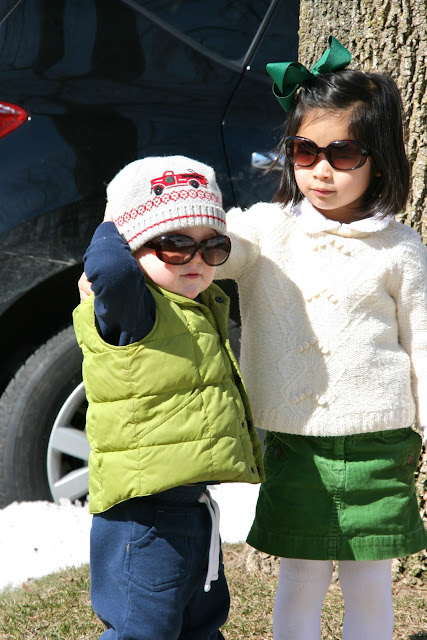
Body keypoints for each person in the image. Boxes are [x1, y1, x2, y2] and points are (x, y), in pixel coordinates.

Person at [214, 36, 427, 640]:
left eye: (343, 152)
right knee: (301, 576)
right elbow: (208, 245)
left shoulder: (400, 248)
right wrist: (122, 255)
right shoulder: (266, 232)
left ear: (378, 159)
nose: (321, 170)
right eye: (305, 151)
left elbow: (422, 342)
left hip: (379, 442)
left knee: (369, 581)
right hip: (294, 440)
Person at [73, 155, 264, 640]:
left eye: (212, 247)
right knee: (144, 629)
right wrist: (112, 224)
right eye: (175, 245)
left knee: (202, 624)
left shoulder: (195, 306)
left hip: (192, 508)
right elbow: (111, 269)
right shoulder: (133, 310)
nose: (196, 260)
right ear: (133, 246)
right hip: (143, 518)